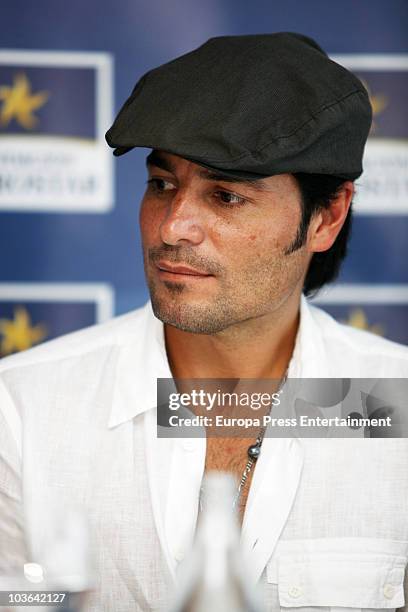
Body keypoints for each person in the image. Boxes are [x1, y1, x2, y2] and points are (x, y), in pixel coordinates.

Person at [1, 32, 408, 612]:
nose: (173, 228)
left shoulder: (396, 404)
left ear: (327, 217)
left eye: (225, 196)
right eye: (162, 185)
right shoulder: (22, 409)